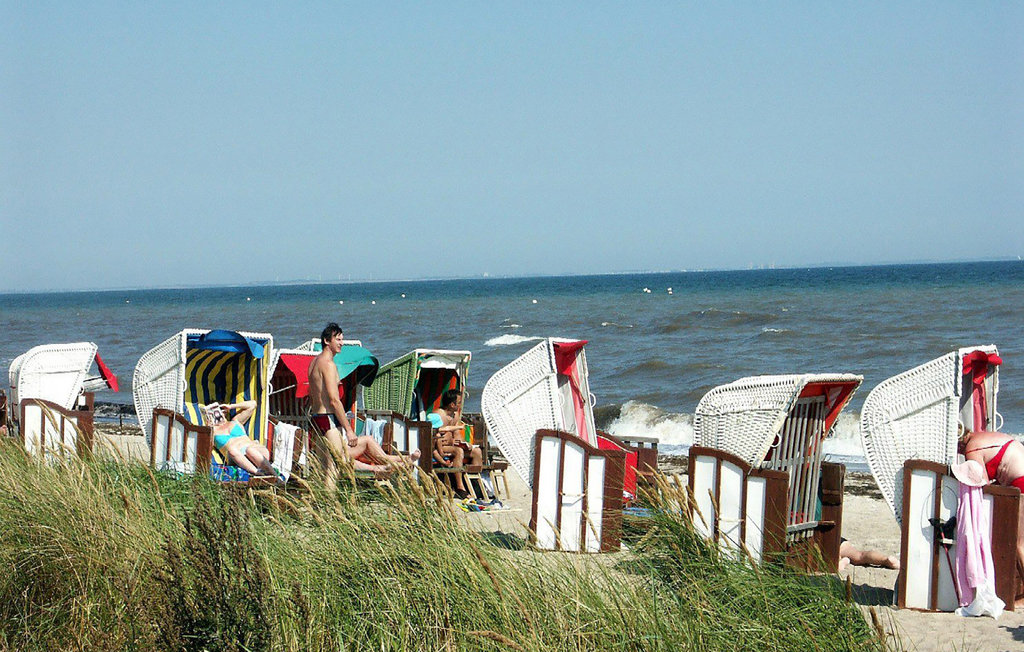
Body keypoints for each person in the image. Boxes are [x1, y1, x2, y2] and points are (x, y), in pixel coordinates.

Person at [307, 322, 419, 489]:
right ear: (326, 340)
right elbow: (334, 400)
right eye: (338, 339)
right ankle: (389, 466)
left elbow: (312, 396)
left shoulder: (313, 364)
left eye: (342, 339)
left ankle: (393, 464)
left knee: (327, 466)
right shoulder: (328, 365)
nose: (341, 343)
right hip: (329, 420)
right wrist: (349, 430)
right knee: (335, 466)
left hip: (317, 420)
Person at [429, 389, 489, 500]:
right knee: (459, 451)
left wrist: (464, 443)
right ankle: (460, 487)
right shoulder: (438, 415)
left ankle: (475, 485)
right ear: (452, 404)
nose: (461, 404)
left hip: (451, 445)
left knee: (476, 452)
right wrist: (452, 443)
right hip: (440, 446)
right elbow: (434, 435)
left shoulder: (455, 415)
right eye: (459, 402)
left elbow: (456, 434)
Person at [202, 400, 278, 478]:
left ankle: (275, 476)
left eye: (220, 409)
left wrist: (231, 406)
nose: (218, 413)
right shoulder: (212, 431)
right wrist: (208, 428)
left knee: (250, 450)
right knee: (232, 450)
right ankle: (257, 473)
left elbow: (253, 404)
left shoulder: (236, 421)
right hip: (237, 458)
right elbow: (206, 445)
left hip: (256, 450)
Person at [959, 428, 1024, 492]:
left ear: (959, 445)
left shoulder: (972, 450)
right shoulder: (984, 436)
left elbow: (982, 485)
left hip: (1020, 481)